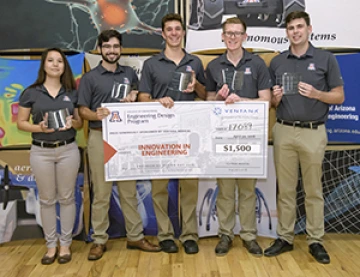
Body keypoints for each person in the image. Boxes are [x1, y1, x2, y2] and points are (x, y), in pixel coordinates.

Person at [264, 11, 344, 264]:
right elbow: (273, 103)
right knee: (286, 190)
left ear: (309, 29)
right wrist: (275, 98)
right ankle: (285, 237)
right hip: (284, 130)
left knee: (313, 190)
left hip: (313, 132)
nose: (295, 31)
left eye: (300, 27)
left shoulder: (325, 58)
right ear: (286, 32)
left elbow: (339, 96)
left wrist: (317, 94)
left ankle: (315, 240)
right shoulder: (277, 62)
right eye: (291, 28)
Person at [77, 30, 161, 261]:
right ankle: (99, 239)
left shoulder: (130, 74)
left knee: (128, 190)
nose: (112, 50)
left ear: (120, 48)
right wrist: (95, 114)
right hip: (99, 137)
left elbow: (138, 104)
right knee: (102, 193)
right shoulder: (90, 78)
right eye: (107, 47)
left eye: (116, 46)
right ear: (100, 49)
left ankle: (135, 236)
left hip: (125, 139)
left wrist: (133, 99)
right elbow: (82, 110)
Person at [138, 13, 206, 254]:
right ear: (163, 34)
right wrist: (158, 101)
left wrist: (196, 84)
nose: (174, 33)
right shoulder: (151, 64)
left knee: (189, 186)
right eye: (170, 29)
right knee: (159, 188)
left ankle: (189, 235)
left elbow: (205, 95)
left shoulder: (195, 62)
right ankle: (165, 234)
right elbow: (143, 97)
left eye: (178, 29)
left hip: (189, 134)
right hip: (160, 133)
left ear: (183, 32)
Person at [206, 17, 271, 257]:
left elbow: (266, 100)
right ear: (222, 36)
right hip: (223, 137)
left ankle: (249, 235)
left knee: (247, 189)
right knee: (225, 189)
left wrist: (240, 100)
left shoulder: (258, 64)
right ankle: (225, 234)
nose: (232, 37)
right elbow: (208, 102)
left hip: (249, 136)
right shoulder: (213, 65)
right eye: (228, 33)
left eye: (237, 33)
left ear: (245, 36)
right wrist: (218, 99)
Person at [17, 48, 83, 265]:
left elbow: (80, 122)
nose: (55, 65)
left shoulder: (72, 92)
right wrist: (39, 128)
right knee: (46, 200)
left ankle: (65, 244)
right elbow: (21, 123)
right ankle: (50, 245)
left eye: (60, 61)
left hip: (68, 150)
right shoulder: (31, 92)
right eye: (51, 61)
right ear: (44, 65)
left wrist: (73, 123)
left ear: (65, 66)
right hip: (41, 151)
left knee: (67, 198)